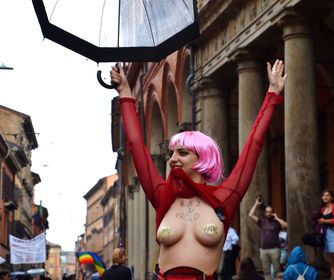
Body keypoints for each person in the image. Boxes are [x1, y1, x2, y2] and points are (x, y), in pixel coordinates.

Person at [110, 59, 286, 279]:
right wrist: (125, 94)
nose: (172, 159)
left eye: (182, 153)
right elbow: (136, 145)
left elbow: (253, 145)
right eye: (172, 153)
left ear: (203, 159)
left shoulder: (224, 198)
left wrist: (272, 94)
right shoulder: (163, 195)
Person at [248, 196, 288, 280]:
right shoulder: (262, 221)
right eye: (267, 212)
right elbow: (250, 215)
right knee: (266, 272)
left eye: (270, 212)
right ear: (265, 213)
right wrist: (256, 204)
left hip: (275, 250)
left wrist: (277, 217)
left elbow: (286, 225)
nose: (268, 213)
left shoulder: (276, 222)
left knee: (277, 271)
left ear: (273, 212)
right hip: (264, 250)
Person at [317, 189, 334, 279]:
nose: (325, 197)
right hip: (325, 233)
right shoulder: (323, 209)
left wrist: (325, 220)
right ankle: (332, 274)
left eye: (327, 195)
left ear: (331, 197)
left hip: (333, 232)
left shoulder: (333, 207)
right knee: (329, 256)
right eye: (324, 195)